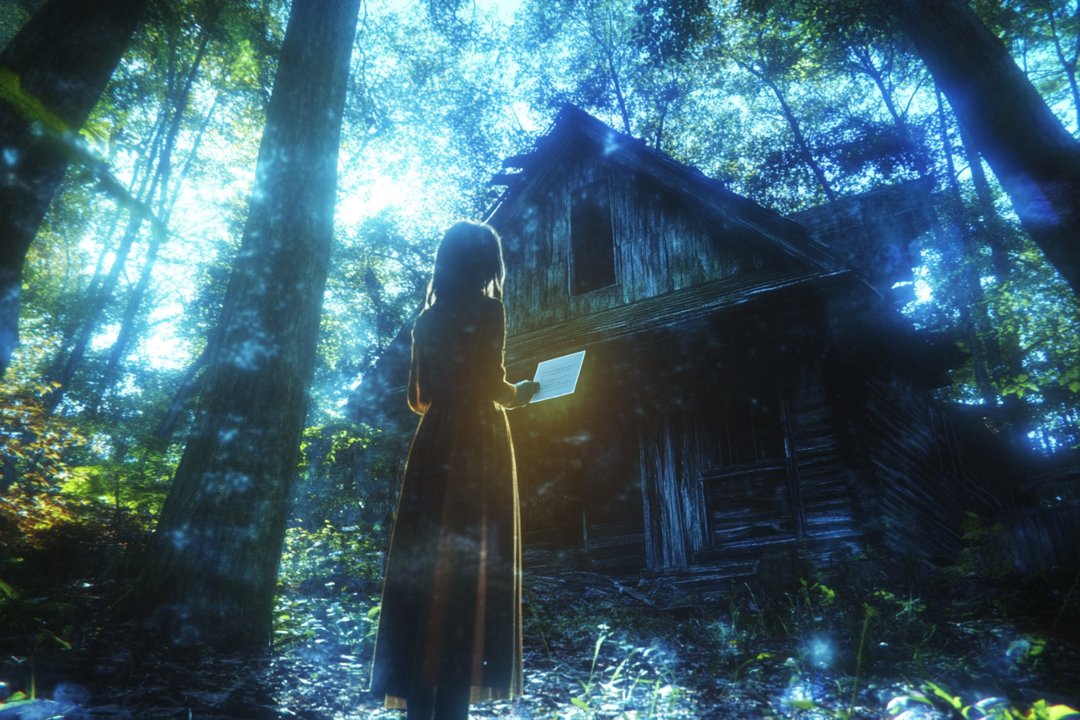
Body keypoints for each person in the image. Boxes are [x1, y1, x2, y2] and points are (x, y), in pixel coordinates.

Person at [370, 221, 539, 720]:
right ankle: (454, 705)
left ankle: (418, 700)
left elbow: (418, 398)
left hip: (435, 442)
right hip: (479, 441)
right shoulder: (489, 311)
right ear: (485, 264)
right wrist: (521, 393)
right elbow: (492, 384)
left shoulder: (426, 320)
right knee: (474, 562)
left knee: (427, 560)